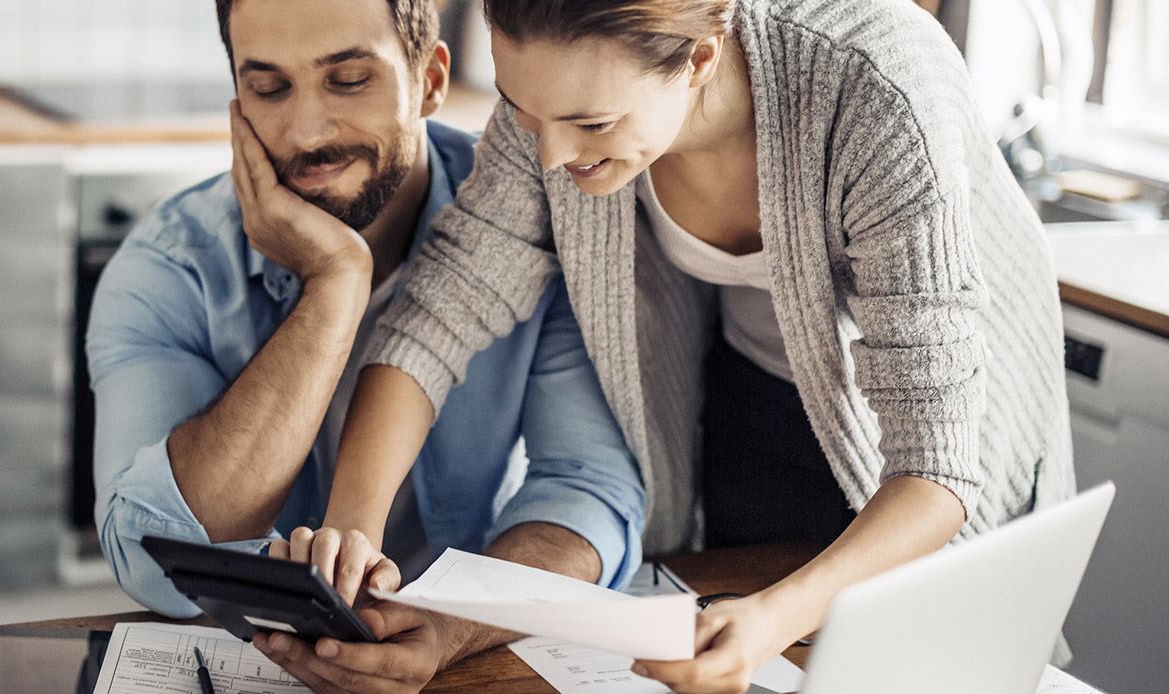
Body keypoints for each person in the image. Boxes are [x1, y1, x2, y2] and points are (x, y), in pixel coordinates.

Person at [282, 1, 1077, 692]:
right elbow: (439, 313)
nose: (553, 156)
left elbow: (935, 465)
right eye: (524, 111)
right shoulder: (561, 98)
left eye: (592, 125)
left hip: (936, 443)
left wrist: (772, 619)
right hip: (753, 394)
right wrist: (353, 530)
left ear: (698, 58)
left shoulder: (875, 85)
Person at [85, 0, 646, 688]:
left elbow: (587, 494)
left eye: (349, 80)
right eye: (268, 87)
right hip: (251, 667)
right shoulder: (171, 266)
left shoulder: (531, 226)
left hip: (465, 659)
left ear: (431, 81)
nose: (307, 130)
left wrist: (452, 626)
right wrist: (335, 286)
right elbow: (153, 563)